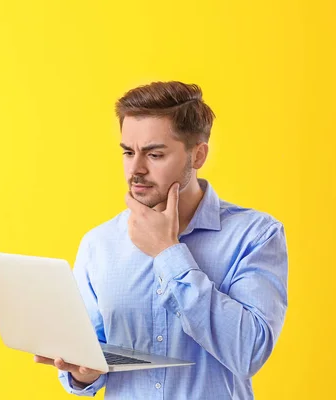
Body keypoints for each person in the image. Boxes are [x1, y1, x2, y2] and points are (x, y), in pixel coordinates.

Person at [34, 81, 288, 399]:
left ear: (198, 155)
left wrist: (168, 252)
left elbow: (249, 352)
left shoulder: (255, 235)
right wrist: (84, 374)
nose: (136, 169)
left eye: (154, 154)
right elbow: (87, 358)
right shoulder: (99, 244)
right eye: (128, 152)